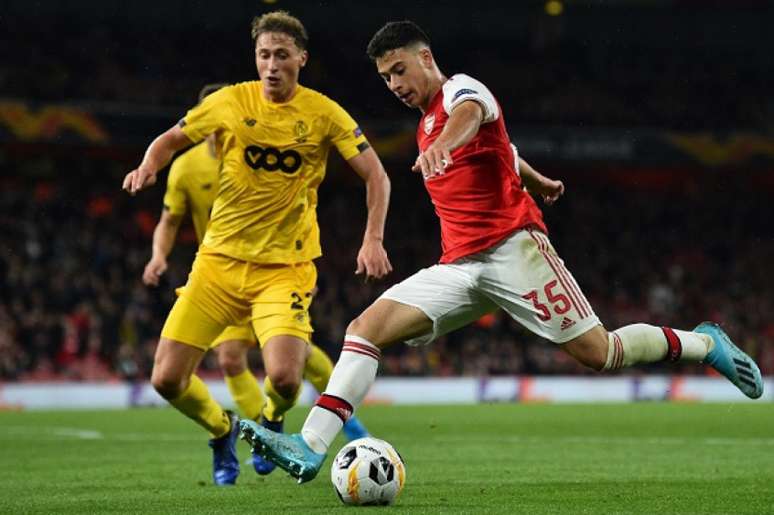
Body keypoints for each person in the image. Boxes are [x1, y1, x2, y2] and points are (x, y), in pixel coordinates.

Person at [239, 20, 764, 484]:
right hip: (460, 267)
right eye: (385, 78)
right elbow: (504, 148)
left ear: (425, 58)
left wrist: (449, 141)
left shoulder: (461, 92)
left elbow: (474, 115)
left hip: (516, 252)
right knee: (363, 329)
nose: (395, 84)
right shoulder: (425, 124)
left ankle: (702, 343)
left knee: (599, 352)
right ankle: (309, 446)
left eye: (400, 70)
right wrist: (537, 179)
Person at [123, 11, 392, 486]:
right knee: (165, 379)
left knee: (286, 380)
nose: (271, 65)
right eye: (264, 55)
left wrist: (372, 238)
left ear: (301, 60)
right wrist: (148, 165)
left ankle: (271, 420)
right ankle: (221, 429)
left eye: (281, 56)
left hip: (284, 268)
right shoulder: (230, 101)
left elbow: (376, 175)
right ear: (256, 57)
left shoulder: (324, 113)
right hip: (217, 265)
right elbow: (169, 139)